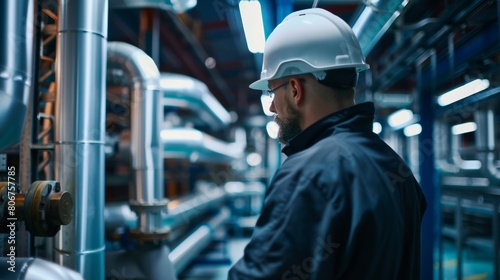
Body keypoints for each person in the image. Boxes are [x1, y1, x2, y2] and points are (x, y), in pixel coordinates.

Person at [228, 8, 427, 280]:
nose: (272, 106)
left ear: (296, 89)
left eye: (272, 92)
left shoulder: (307, 174)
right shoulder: (397, 169)